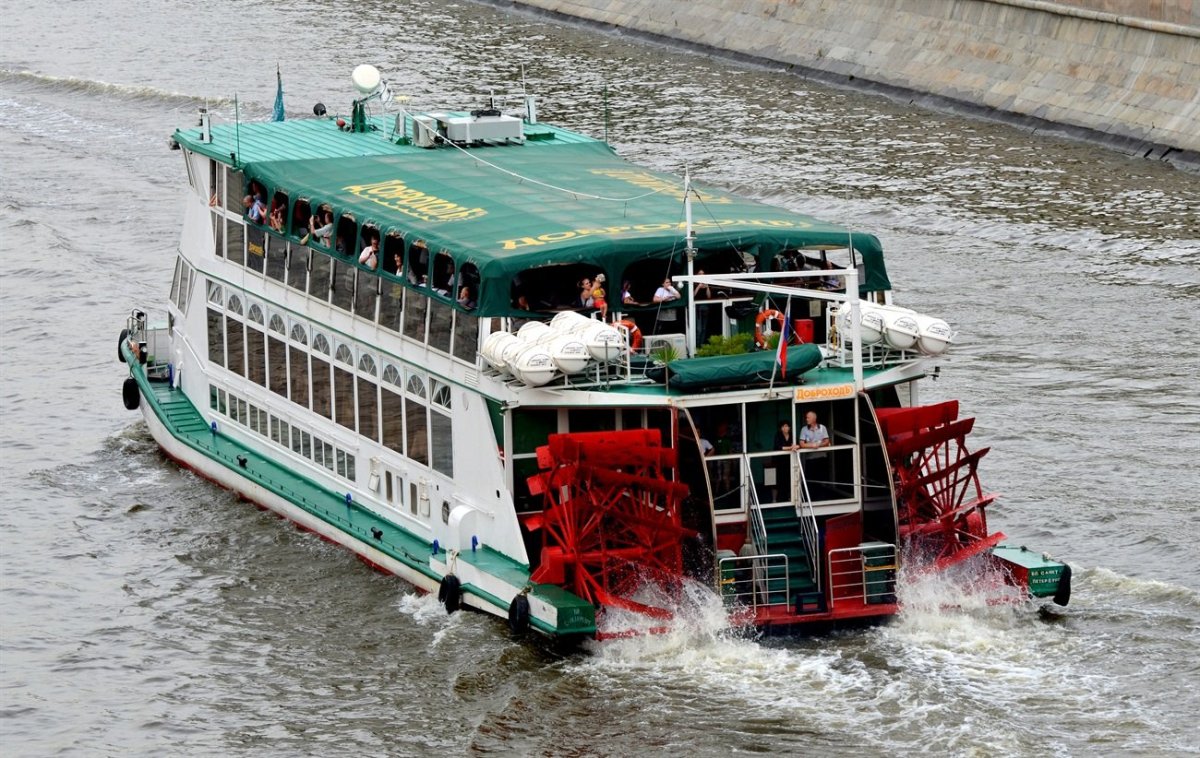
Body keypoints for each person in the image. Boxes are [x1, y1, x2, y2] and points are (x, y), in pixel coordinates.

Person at [799, 410, 831, 496]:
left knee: (822, 478)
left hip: (822, 457)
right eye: (806, 417)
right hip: (811, 458)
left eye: (808, 417)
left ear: (814, 418)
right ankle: (811, 497)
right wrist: (812, 445)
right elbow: (801, 444)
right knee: (810, 479)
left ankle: (823, 496)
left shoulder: (822, 428)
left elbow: (827, 441)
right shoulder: (804, 429)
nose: (806, 419)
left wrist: (819, 444)